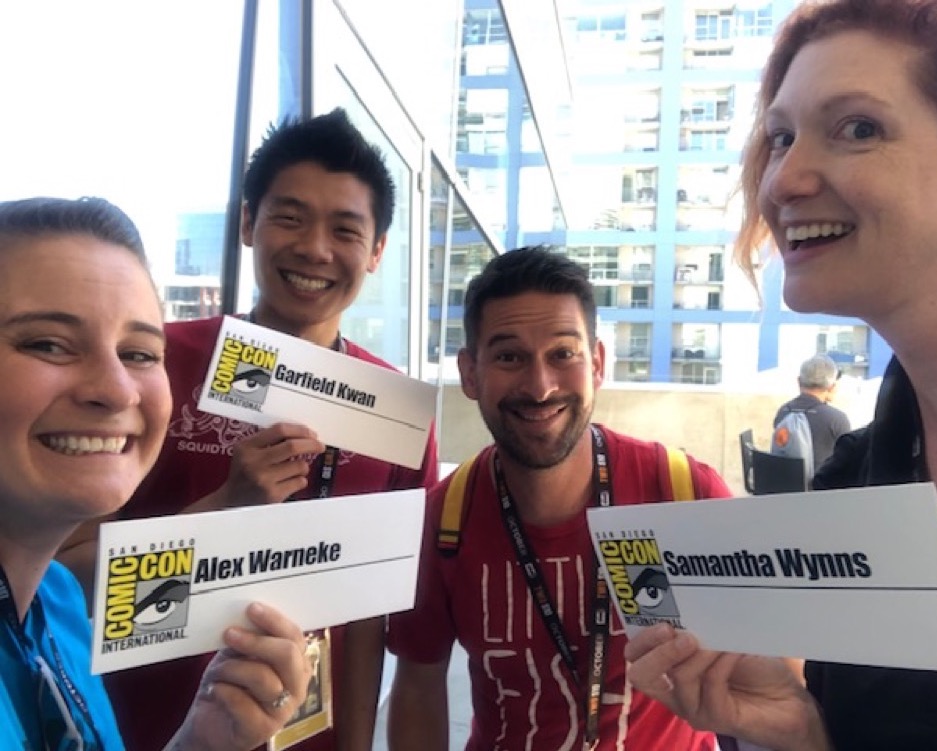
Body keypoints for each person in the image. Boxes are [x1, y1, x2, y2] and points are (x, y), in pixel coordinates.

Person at [624, 0, 937, 748]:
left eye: (859, 128)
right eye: (781, 138)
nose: (785, 180)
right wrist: (800, 730)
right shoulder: (853, 483)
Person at [59, 109, 438, 751]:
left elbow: (369, 614)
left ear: (375, 252)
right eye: (289, 217)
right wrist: (222, 514)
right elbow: (51, 578)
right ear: (246, 224)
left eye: (345, 229)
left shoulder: (395, 415)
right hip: (141, 730)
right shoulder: (152, 365)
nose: (314, 249)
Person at [386, 247, 731, 750]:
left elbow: (775, 673)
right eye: (509, 356)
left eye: (562, 354)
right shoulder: (443, 522)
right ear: (469, 373)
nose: (540, 387)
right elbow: (418, 684)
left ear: (596, 363)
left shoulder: (682, 494)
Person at [0, 195, 312, 750]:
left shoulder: (59, 601)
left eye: (140, 353)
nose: (116, 388)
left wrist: (201, 742)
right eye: (46, 343)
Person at [772, 353, 850, 474]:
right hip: (821, 490)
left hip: (783, 488)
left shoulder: (783, 412)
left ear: (799, 382)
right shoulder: (837, 419)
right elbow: (848, 464)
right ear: (831, 387)